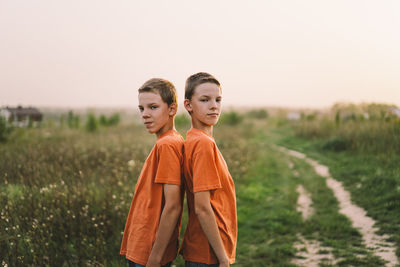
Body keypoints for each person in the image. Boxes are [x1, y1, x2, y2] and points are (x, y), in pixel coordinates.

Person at [120, 78, 184, 267]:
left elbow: (173, 206)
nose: (145, 115)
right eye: (141, 108)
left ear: (172, 109)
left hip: (148, 250)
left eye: (153, 107)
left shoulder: (167, 145)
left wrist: (155, 258)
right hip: (145, 246)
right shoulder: (170, 141)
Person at [180, 72, 237, 266]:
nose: (214, 105)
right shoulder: (202, 144)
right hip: (207, 253)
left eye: (218, 99)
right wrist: (222, 258)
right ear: (188, 105)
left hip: (205, 250)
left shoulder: (197, 139)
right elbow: (202, 207)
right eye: (205, 100)